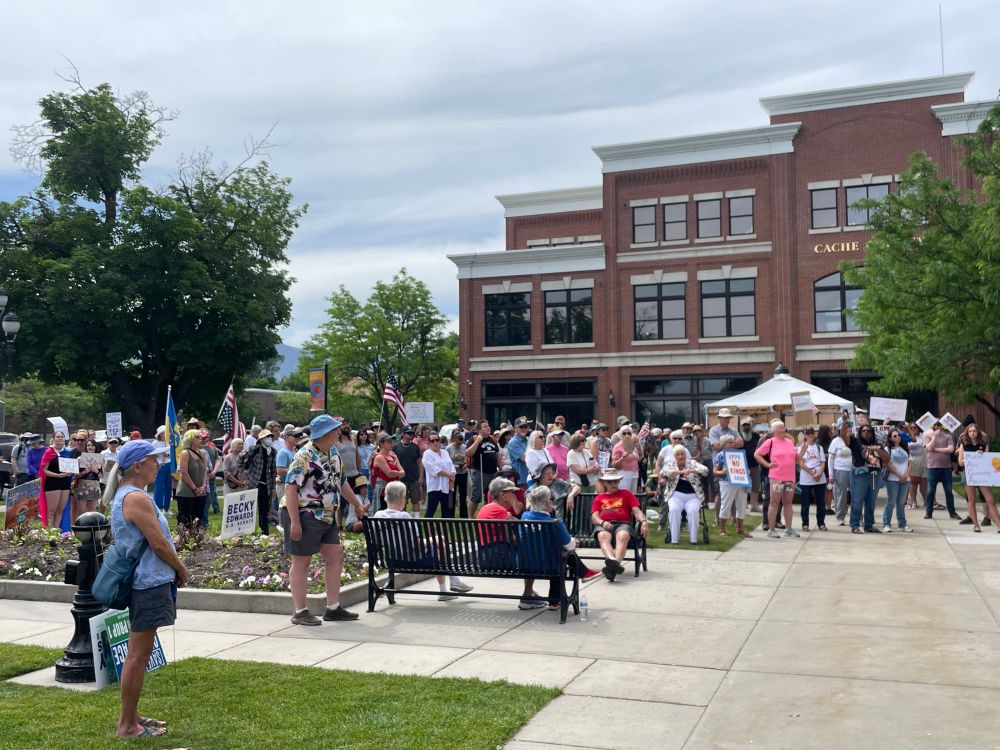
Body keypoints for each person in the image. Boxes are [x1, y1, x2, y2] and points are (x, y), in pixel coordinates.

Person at [106, 439, 187, 739]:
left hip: (148, 582)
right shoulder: (135, 498)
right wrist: (180, 568)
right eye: (154, 460)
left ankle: (133, 715)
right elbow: (158, 543)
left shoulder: (130, 495)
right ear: (137, 466)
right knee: (138, 656)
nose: (159, 465)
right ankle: (127, 725)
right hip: (148, 583)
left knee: (138, 653)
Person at [282, 414, 366, 626]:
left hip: (327, 515)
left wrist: (356, 504)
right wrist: (295, 521)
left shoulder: (334, 452)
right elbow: (290, 487)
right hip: (304, 514)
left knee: (335, 555)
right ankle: (300, 612)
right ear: (325, 433)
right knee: (302, 561)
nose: (339, 432)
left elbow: (341, 481)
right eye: (336, 429)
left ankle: (333, 608)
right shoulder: (304, 455)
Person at [373, 480, 472, 600]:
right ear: (400, 498)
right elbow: (415, 544)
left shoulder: (378, 516)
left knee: (437, 542)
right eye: (405, 496)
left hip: (392, 560)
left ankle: (452, 583)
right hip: (414, 560)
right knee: (440, 542)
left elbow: (376, 541)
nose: (406, 499)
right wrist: (433, 540)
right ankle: (447, 587)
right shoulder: (405, 517)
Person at [478, 476, 545, 609]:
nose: (514, 495)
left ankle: (529, 593)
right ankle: (527, 596)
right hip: (499, 559)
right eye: (511, 492)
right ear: (502, 494)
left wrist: (513, 520)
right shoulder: (500, 511)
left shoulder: (486, 508)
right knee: (533, 554)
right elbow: (513, 540)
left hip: (485, 557)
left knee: (528, 553)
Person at [521, 485, 591, 610]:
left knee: (556, 552)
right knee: (563, 555)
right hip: (548, 566)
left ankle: (584, 573)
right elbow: (570, 545)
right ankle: (555, 600)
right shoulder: (554, 523)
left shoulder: (524, 517)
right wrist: (575, 542)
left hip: (525, 564)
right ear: (548, 502)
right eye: (551, 498)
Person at [590, 468, 649, 580]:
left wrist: (644, 522)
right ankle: (614, 565)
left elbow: (637, 511)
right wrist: (602, 522)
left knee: (623, 536)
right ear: (604, 483)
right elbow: (594, 517)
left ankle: (612, 567)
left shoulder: (626, 494)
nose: (613, 484)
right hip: (604, 525)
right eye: (610, 482)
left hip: (623, 524)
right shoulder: (599, 498)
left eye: (616, 481)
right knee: (603, 536)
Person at [755, 420, 800, 539]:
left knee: (788, 502)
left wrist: (803, 450)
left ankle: (788, 529)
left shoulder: (790, 442)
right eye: (780, 427)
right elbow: (757, 454)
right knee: (774, 502)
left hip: (789, 478)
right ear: (774, 431)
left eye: (783, 427)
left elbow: (796, 460)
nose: (782, 429)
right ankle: (771, 528)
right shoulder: (770, 442)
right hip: (777, 478)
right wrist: (768, 464)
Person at [661, 446, 708, 546]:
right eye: (678, 455)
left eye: (682, 454)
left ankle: (693, 539)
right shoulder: (670, 464)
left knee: (693, 511)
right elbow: (664, 472)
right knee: (674, 510)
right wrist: (681, 472)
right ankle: (674, 540)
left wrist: (693, 471)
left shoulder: (692, 463)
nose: (681, 456)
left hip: (693, 496)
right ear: (675, 456)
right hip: (676, 496)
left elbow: (705, 470)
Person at [957, 423, 1000, 531]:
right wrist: (971, 458)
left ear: (978, 432)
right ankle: (976, 524)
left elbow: (988, 459)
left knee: (990, 499)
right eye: (970, 431)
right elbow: (960, 462)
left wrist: (982, 454)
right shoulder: (964, 444)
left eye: (974, 431)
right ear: (967, 432)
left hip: (982, 474)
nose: (972, 433)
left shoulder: (983, 444)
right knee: (972, 500)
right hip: (970, 473)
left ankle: (999, 524)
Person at [848, 424, 890, 534]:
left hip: (874, 475)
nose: (866, 433)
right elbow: (844, 436)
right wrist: (844, 423)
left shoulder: (878, 444)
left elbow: (887, 459)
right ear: (860, 433)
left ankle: (869, 525)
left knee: (871, 502)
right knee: (857, 501)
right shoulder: (856, 442)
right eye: (864, 431)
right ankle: (855, 525)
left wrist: (877, 449)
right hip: (860, 476)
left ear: (872, 433)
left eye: (869, 431)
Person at [241, 424, 277, 533]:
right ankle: (247, 531)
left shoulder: (273, 451)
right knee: (249, 509)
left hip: (266, 483)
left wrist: (273, 486)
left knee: (264, 509)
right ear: (261, 439)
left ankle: (264, 531)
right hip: (253, 482)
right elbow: (241, 457)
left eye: (270, 437)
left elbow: (273, 469)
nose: (269, 439)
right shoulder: (254, 449)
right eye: (266, 437)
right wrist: (243, 470)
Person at [712, 434, 750, 537]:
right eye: (729, 442)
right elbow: (714, 471)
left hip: (741, 481)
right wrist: (723, 472)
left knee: (742, 505)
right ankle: (722, 529)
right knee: (726, 504)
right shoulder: (720, 455)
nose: (732, 444)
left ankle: (740, 529)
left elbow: (744, 467)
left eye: (733, 442)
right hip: (726, 482)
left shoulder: (739, 455)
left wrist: (746, 471)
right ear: (724, 444)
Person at [924, 421, 959, 520]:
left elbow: (951, 450)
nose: (937, 426)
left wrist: (936, 449)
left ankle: (952, 513)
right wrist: (934, 437)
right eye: (935, 424)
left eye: (939, 424)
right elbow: (929, 447)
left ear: (942, 425)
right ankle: (928, 512)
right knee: (930, 491)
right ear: (932, 426)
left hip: (946, 468)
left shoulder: (948, 436)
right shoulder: (927, 435)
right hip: (932, 467)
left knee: (948, 491)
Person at [466, 420, 501, 516]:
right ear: (479, 430)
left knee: (490, 496)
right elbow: (468, 453)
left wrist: (500, 469)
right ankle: (470, 518)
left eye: (488, 426)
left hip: (493, 472)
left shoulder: (492, 439)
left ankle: (487, 516)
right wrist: (477, 441)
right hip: (479, 471)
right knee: (476, 496)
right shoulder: (474, 439)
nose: (488, 428)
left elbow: (497, 455)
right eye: (485, 426)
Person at [175, 430, 207, 532]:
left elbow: (205, 470)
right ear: (190, 439)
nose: (200, 439)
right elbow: (184, 472)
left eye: (200, 437)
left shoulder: (202, 453)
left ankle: (196, 540)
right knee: (186, 521)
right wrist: (195, 488)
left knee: (198, 519)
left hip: (201, 492)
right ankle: (185, 542)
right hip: (186, 492)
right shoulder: (185, 453)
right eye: (197, 437)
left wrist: (203, 486)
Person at [883, 428, 914, 532]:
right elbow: (888, 464)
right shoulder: (888, 449)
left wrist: (905, 475)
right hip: (893, 479)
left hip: (906, 479)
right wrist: (898, 475)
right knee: (891, 501)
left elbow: (910, 464)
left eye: (899, 435)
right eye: (895, 436)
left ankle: (902, 524)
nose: (898, 437)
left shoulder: (905, 448)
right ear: (890, 439)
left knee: (901, 503)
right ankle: (886, 524)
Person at [40, 432, 72, 528]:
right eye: (58, 437)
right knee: (52, 510)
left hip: (65, 482)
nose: (60, 438)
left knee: (60, 509)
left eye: (62, 437)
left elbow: (71, 467)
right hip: (52, 482)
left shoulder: (67, 452)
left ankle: (56, 531)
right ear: (53, 438)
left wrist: (70, 472)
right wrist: (57, 475)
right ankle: (49, 531)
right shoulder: (49, 451)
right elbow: (44, 470)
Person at [797, 427, 826, 531]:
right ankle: (805, 523)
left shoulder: (819, 447)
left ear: (814, 434)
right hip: (806, 478)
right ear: (805, 435)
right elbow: (800, 462)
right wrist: (812, 472)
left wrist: (819, 472)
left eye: (811, 433)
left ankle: (821, 523)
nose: (810, 435)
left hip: (819, 478)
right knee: (805, 502)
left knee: (821, 502)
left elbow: (822, 462)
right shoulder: (801, 447)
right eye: (807, 433)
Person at [334, 418, 362, 527]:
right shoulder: (335, 441)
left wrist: (359, 471)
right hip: (343, 475)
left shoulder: (353, 438)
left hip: (355, 474)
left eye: (347, 424)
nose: (346, 426)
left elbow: (357, 455)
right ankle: (339, 525)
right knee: (341, 503)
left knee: (357, 500)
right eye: (343, 424)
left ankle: (357, 522)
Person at [422, 432, 456, 518]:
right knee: (431, 511)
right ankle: (427, 531)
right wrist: (448, 475)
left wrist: (452, 480)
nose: (435, 442)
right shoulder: (427, 454)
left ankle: (443, 531)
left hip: (447, 486)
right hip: (435, 487)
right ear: (429, 443)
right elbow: (434, 470)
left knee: (446, 512)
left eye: (437, 440)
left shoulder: (445, 453)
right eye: (432, 441)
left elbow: (451, 466)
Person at [393, 427, 424, 517]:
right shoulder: (396, 447)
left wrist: (421, 476)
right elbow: (393, 463)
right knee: (402, 500)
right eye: (408, 433)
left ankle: (416, 519)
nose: (410, 435)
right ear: (403, 434)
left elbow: (420, 462)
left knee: (416, 500)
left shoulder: (415, 447)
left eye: (411, 433)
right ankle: (402, 519)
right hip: (401, 479)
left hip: (414, 478)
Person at [75, 438, 104, 518]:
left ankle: (91, 528)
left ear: (95, 447)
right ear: (86, 447)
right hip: (83, 485)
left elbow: (102, 476)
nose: (90, 447)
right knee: (82, 510)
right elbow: (75, 475)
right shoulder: (80, 458)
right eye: (88, 445)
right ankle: (81, 528)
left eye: (92, 445)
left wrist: (96, 471)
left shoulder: (100, 459)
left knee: (92, 511)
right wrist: (84, 472)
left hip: (94, 485)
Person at [611, 425, 641, 494]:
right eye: (624, 433)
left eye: (629, 433)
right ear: (620, 435)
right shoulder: (617, 446)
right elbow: (614, 465)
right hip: (624, 474)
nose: (626, 435)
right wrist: (622, 458)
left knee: (633, 496)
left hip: (634, 474)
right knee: (624, 495)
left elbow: (637, 458)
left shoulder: (633, 445)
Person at [200, 429, 221, 527]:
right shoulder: (198, 449)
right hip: (200, 480)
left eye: (207, 437)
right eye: (203, 437)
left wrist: (214, 471)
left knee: (208, 501)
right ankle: (201, 522)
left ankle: (205, 521)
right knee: (201, 503)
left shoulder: (213, 449)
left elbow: (218, 460)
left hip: (211, 479)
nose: (205, 439)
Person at [446, 430, 469, 519]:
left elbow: (468, 458)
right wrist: (455, 466)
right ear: (454, 439)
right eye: (458, 442)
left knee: (463, 494)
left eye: (461, 442)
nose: (459, 444)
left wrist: (465, 465)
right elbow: (447, 462)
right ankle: (450, 514)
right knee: (452, 494)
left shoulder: (464, 447)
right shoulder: (448, 448)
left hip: (463, 473)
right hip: (453, 474)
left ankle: (464, 514)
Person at [905, 422, 928, 510]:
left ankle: (926, 501)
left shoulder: (923, 436)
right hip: (913, 461)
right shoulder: (907, 437)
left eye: (915, 427)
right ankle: (914, 501)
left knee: (924, 482)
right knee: (913, 482)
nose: (913, 429)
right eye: (911, 427)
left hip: (923, 460)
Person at [151, 426, 173, 514]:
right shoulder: (155, 443)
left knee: (168, 487)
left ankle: (166, 508)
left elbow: (173, 454)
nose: (165, 435)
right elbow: (153, 455)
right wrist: (160, 454)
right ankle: (158, 508)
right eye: (164, 433)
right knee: (159, 487)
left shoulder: (169, 442)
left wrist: (168, 455)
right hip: (160, 465)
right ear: (160, 434)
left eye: (166, 433)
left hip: (169, 464)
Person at [506, 417, 532, 488]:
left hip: (530, 476)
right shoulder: (513, 442)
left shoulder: (527, 439)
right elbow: (524, 459)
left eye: (525, 426)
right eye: (521, 427)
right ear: (516, 428)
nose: (523, 429)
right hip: (521, 479)